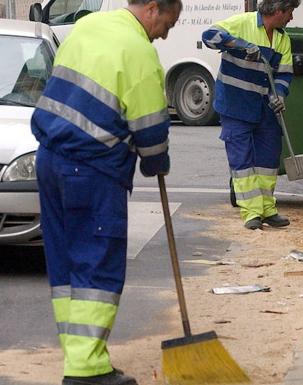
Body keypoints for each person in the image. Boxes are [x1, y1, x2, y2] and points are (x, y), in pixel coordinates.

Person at [31, 0, 181, 383]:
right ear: (151, 8)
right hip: (92, 169)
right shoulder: (138, 52)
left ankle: (79, 356)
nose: (166, 32)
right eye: (168, 22)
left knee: (66, 262)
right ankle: (86, 370)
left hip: (49, 159)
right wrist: (156, 160)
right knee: (97, 260)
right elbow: (150, 128)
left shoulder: (86, 27)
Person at [202, 0, 300, 230]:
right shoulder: (241, 23)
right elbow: (209, 35)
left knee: (268, 159)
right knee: (242, 161)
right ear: (277, 11)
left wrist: (281, 95)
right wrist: (240, 44)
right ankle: (251, 213)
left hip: (265, 108)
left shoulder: (282, 38)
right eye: (290, 12)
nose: (291, 18)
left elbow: (284, 74)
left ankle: (267, 209)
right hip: (236, 106)